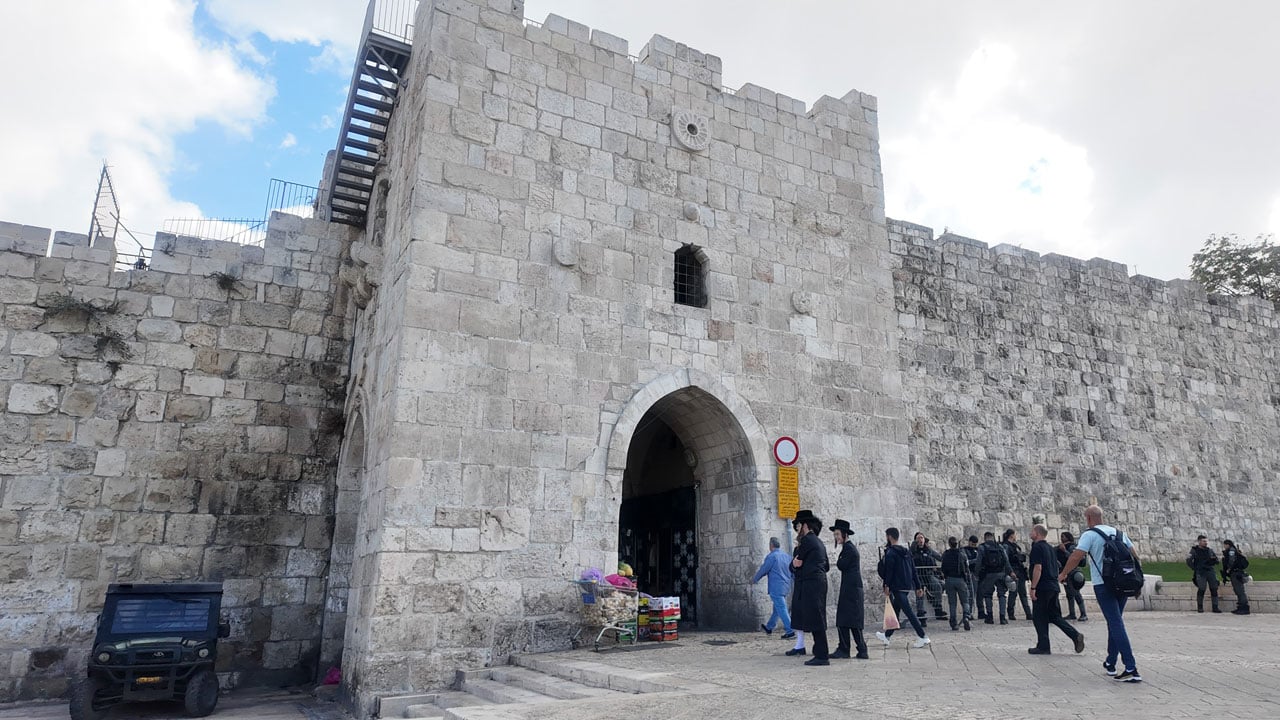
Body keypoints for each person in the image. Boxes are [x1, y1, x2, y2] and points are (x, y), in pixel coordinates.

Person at [1059, 505, 1141, 683]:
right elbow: (1135, 555)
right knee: (1115, 621)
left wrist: (1064, 573)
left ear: (1088, 518)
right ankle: (1111, 662)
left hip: (1103, 585)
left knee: (1115, 622)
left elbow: (1076, 556)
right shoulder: (1119, 533)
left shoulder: (1089, 535)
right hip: (1123, 583)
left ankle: (1131, 668)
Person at [1027, 524, 1085, 655]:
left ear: (1037, 533)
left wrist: (1033, 587)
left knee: (1039, 616)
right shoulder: (1050, 548)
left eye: (1032, 531)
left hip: (1042, 587)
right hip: (1053, 586)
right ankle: (1075, 635)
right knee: (1054, 616)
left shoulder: (1037, 547)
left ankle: (1043, 646)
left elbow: (1038, 568)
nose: (1030, 533)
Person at [875, 527, 930, 648]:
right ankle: (887, 636)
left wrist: (886, 585)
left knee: (909, 612)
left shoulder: (891, 553)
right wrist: (918, 586)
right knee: (896, 610)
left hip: (897, 586)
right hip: (906, 585)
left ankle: (923, 636)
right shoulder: (906, 552)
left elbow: (889, 571)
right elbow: (913, 570)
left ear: (889, 537)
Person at [788, 509, 830, 665]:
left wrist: (795, 564)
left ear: (805, 525)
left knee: (816, 619)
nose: (797, 529)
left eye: (799, 526)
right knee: (817, 617)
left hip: (811, 583)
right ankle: (820, 653)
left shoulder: (806, 541)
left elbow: (797, 562)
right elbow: (826, 566)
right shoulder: (818, 542)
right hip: (819, 581)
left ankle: (821, 655)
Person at [829, 519, 868, 659]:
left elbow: (841, 564)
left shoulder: (849, 549)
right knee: (846, 620)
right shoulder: (847, 548)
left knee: (850, 620)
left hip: (851, 590)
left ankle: (856, 649)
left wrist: (839, 560)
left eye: (838, 534)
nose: (836, 537)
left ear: (845, 534)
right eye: (835, 535)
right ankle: (849, 648)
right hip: (850, 588)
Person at [752, 536, 795, 637]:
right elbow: (793, 571)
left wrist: (755, 579)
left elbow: (764, 569)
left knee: (781, 608)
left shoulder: (772, 557)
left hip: (776, 587)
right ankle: (769, 627)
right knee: (777, 608)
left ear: (771, 545)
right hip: (786, 586)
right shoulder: (787, 557)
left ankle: (790, 630)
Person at [910, 532, 947, 623]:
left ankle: (938, 610)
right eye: (918, 538)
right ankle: (921, 614)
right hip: (918, 576)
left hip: (928, 574)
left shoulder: (928, 550)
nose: (920, 540)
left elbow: (939, 557)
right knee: (920, 593)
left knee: (938, 586)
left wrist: (947, 556)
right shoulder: (912, 551)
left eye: (922, 538)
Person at [977, 531, 1012, 624]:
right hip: (1001, 573)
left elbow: (978, 562)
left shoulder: (982, 547)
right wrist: (1010, 572)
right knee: (1002, 595)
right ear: (992, 538)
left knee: (988, 595)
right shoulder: (999, 546)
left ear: (985, 538)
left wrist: (977, 574)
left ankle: (990, 617)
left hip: (988, 574)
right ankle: (1002, 618)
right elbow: (1006, 560)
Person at [940, 536, 972, 631]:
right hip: (960, 579)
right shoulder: (962, 554)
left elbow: (943, 568)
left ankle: (953, 623)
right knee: (965, 601)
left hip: (949, 579)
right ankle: (966, 617)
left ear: (949, 544)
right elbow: (966, 568)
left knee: (952, 603)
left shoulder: (946, 554)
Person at [1185, 535, 1220, 614]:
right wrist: (1195, 568)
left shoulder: (1209, 550)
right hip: (1201, 572)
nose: (1205, 543)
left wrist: (1213, 560)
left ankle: (1215, 607)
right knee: (1202, 588)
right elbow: (1188, 560)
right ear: (1199, 542)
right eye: (1204, 541)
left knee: (1214, 588)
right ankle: (1200, 607)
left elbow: (1216, 560)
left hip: (1210, 571)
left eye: (1206, 541)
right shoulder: (1194, 550)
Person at [1002, 529, 1033, 621]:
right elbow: (1006, 560)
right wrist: (1010, 571)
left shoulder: (1015, 546)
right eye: (1015, 534)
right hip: (1013, 571)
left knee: (1023, 593)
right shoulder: (1006, 546)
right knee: (1013, 593)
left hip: (1020, 571)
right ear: (1011, 535)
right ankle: (1011, 613)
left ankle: (1028, 613)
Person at [1057, 531, 1087, 621]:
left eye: (1063, 536)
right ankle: (1072, 613)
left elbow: (1074, 558)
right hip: (1065, 573)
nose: (1061, 538)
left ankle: (1083, 613)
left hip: (1073, 573)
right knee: (1069, 594)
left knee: (1076, 593)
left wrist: (1064, 551)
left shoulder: (1072, 547)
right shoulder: (1060, 547)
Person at [1221, 539, 1250, 615]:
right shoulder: (1234, 550)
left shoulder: (1231, 551)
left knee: (1239, 591)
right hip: (1236, 572)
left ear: (1227, 544)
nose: (1224, 547)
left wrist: (1229, 569)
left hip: (1235, 573)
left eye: (1225, 545)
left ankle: (1244, 608)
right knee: (1238, 590)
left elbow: (1231, 561)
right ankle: (1240, 607)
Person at [963, 535, 982, 620]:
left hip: (976, 574)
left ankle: (972, 612)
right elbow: (966, 562)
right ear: (969, 542)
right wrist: (976, 560)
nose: (974, 546)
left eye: (975, 544)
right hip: (969, 574)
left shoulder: (977, 550)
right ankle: (968, 612)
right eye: (972, 544)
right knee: (970, 594)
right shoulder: (965, 550)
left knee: (974, 594)